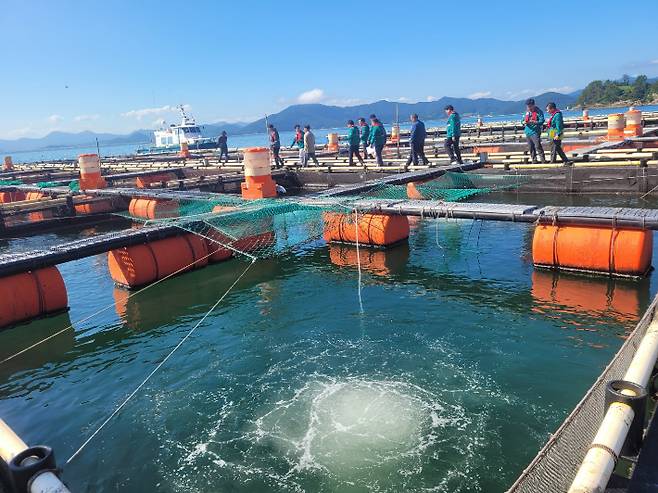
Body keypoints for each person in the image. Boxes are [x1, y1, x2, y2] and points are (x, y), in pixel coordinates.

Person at [522, 98, 546, 163]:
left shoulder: (539, 112)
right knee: (530, 147)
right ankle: (534, 160)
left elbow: (542, 121)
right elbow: (522, 120)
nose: (529, 107)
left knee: (538, 146)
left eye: (530, 106)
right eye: (527, 106)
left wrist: (534, 122)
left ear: (533, 105)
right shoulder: (526, 113)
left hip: (535, 132)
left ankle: (543, 160)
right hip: (528, 132)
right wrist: (523, 122)